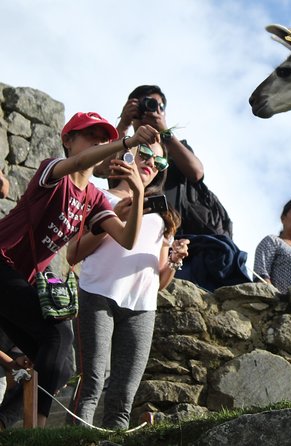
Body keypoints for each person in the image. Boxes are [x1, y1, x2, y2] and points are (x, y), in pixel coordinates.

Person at [0, 111, 158, 427]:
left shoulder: (95, 198)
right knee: (57, 335)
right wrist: (126, 141)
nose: (101, 144)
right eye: (92, 137)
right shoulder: (51, 171)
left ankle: (8, 424)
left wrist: (138, 191)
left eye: (105, 139)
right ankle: (38, 430)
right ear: (67, 141)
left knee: (58, 364)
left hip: (20, 280)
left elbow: (126, 239)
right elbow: (75, 165)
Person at [68, 140, 188, 429]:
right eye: (145, 154)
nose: (150, 164)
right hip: (97, 294)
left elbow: (159, 281)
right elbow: (74, 253)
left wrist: (173, 259)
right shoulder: (97, 197)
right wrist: (114, 219)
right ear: (125, 155)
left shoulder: (163, 216)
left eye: (159, 163)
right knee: (92, 381)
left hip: (142, 308)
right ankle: (73, 438)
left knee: (123, 396)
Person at [99, 84, 232, 237]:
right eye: (147, 104)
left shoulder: (174, 147)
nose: (151, 162)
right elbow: (102, 169)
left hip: (182, 233)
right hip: (132, 227)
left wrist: (165, 132)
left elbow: (197, 173)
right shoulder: (126, 146)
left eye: (159, 107)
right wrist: (124, 123)